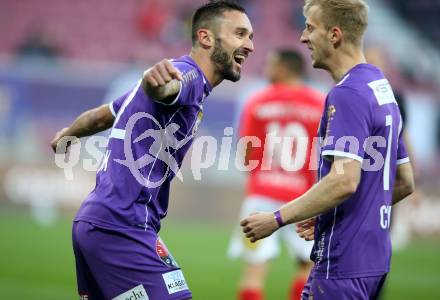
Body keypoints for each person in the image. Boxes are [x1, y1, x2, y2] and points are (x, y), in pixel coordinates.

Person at [50, 1, 254, 299]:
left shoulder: (163, 86)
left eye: (251, 36)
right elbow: (171, 88)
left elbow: (100, 117)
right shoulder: (190, 76)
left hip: (97, 220)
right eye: (240, 34)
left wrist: (66, 135)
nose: (249, 45)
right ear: (206, 37)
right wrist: (160, 87)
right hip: (122, 227)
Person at [240, 1, 415, 299]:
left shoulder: (347, 94)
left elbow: (344, 180)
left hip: (341, 264)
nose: (302, 38)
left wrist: (276, 219)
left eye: (310, 28)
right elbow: (405, 181)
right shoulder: (379, 87)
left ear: (334, 35)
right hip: (374, 261)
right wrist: (325, 211)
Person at [227, 49, 323, 300]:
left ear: (284, 68)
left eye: (271, 64)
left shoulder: (257, 101)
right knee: (308, 267)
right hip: (304, 199)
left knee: (254, 272)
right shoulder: (320, 103)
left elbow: (246, 155)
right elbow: (324, 156)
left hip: (261, 195)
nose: (266, 69)